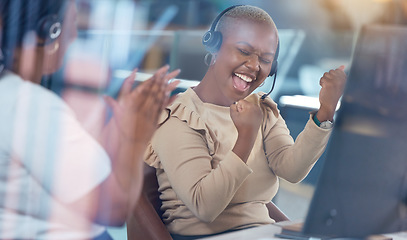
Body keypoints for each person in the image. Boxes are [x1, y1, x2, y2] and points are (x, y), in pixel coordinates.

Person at [144, 5, 347, 240]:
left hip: (262, 233)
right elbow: (204, 207)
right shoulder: (180, 117)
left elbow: (291, 170)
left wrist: (326, 110)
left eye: (265, 59)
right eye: (243, 51)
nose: (254, 66)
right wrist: (246, 136)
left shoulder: (261, 108)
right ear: (215, 47)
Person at [0, 0, 180, 239]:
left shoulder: (14, 94)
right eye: (71, 23)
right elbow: (113, 209)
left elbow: (88, 174)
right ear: (50, 30)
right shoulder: (32, 105)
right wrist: (138, 135)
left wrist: (122, 126)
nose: (73, 35)